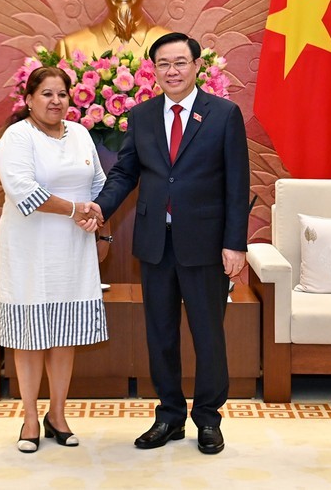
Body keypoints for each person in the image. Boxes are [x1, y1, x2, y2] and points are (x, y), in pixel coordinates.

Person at [88, 32, 250, 455]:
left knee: (208, 334)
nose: (172, 71)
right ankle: (170, 416)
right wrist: (100, 208)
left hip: (206, 243)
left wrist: (235, 244)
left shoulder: (224, 114)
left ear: (197, 66)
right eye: (163, 64)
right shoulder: (140, 117)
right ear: (152, 70)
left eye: (180, 62)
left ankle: (209, 419)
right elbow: (125, 173)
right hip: (156, 243)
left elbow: (237, 183)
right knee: (159, 333)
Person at [0, 66, 108, 454]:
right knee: (29, 335)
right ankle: (29, 417)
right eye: (46, 94)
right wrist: (76, 208)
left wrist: (96, 214)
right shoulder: (17, 137)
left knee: (64, 333)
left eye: (62, 94)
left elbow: (99, 184)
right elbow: (24, 191)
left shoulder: (80, 134)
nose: (55, 101)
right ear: (28, 99)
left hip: (74, 248)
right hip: (30, 249)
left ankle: (57, 415)